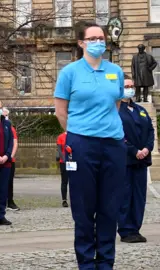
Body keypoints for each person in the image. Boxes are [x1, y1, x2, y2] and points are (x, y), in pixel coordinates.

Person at [54, 21, 126, 269]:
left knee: (110, 205)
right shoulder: (69, 72)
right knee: (84, 207)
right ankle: (86, 262)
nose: (99, 42)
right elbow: (61, 112)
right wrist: (79, 132)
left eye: (101, 38)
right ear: (81, 42)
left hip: (113, 144)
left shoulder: (115, 71)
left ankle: (106, 261)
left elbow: (115, 105)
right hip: (81, 144)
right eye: (93, 38)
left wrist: (105, 128)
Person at [117, 75, 155, 243]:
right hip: (124, 161)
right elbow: (117, 134)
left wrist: (147, 148)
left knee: (139, 197)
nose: (130, 88)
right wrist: (134, 151)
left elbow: (150, 131)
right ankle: (125, 230)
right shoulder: (115, 109)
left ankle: (135, 229)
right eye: (126, 86)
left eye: (132, 85)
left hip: (141, 161)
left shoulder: (140, 109)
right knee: (125, 196)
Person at [3, 108, 19, 211]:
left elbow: (15, 143)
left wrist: (10, 156)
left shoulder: (11, 128)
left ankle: (10, 201)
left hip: (9, 160)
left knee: (9, 182)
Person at [56, 131, 69, 207]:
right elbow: (59, 150)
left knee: (75, 182)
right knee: (64, 181)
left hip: (74, 161)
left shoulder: (75, 136)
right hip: (64, 162)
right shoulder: (61, 137)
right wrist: (64, 160)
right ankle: (64, 200)